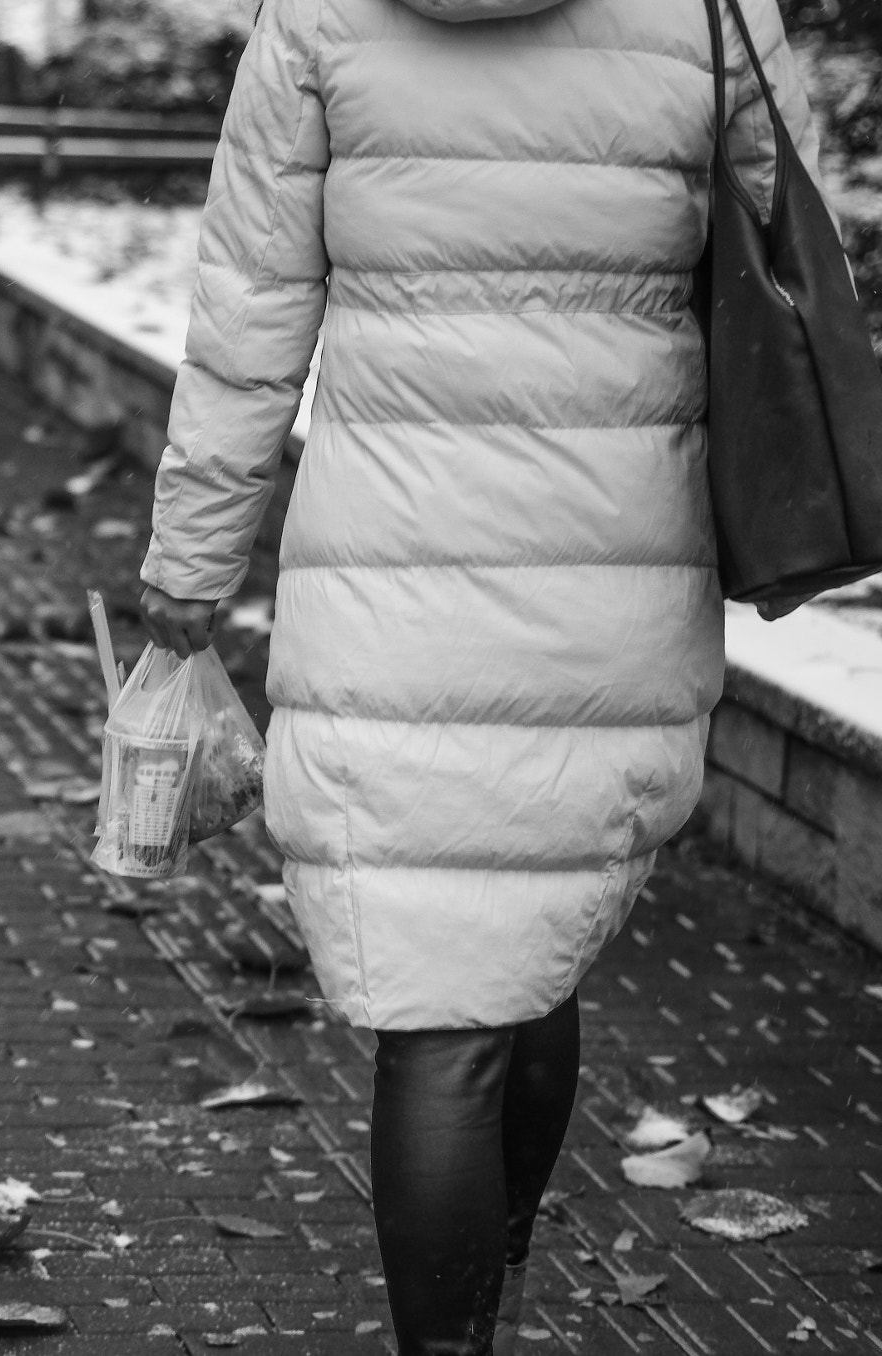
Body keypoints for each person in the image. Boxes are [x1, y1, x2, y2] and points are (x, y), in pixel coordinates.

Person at [136, 0, 815, 1349]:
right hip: (611, 559)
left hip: (391, 574)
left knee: (440, 1006)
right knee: (530, 951)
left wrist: (186, 574)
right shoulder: (704, 6)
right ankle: (491, 1286)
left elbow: (249, 319)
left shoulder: (317, 18)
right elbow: (784, 249)